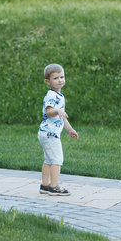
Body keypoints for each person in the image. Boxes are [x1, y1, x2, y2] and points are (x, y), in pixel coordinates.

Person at [38, 64, 78, 196]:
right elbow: (49, 112)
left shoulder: (59, 96)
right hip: (50, 134)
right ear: (48, 81)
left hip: (46, 133)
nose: (60, 80)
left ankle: (44, 185)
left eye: (62, 77)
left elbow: (61, 117)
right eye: (56, 78)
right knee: (56, 160)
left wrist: (70, 129)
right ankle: (54, 187)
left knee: (48, 160)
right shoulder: (51, 95)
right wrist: (57, 110)